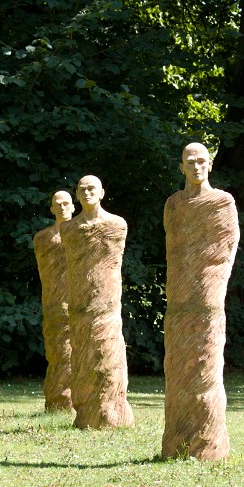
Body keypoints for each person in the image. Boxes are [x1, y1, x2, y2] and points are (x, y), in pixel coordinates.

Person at [162, 142, 239, 460]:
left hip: (207, 298)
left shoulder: (222, 203)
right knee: (178, 368)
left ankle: (207, 444)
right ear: (181, 166)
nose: (195, 166)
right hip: (178, 299)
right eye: (189, 161)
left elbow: (228, 249)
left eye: (201, 161)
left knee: (205, 367)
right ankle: (178, 441)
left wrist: (212, 287)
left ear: (210, 165)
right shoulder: (174, 205)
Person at [59, 175, 134, 429]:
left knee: (107, 358)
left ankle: (113, 415)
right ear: (77, 195)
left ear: (102, 193)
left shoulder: (116, 225)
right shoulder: (69, 230)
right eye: (82, 189)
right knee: (82, 358)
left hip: (107, 306)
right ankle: (87, 415)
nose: (87, 193)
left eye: (92, 189)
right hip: (79, 306)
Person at [33, 190, 75, 412]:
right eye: (57, 204)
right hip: (54, 304)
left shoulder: (82, 235)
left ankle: (78, 400)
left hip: (79, 302)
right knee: (58, 352)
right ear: (51, 209)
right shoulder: (43, 239)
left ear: (73, 206)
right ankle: (58, 403)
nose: (62, 207)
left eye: (66, 203)